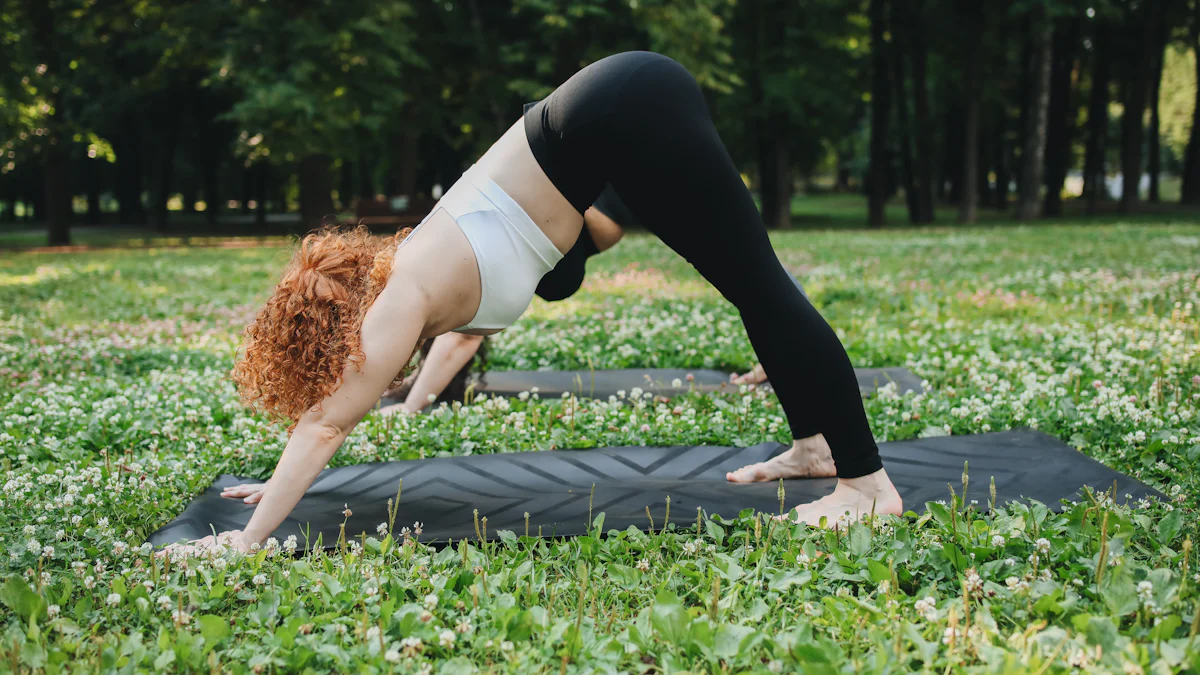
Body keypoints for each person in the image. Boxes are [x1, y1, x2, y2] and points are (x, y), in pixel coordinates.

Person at [186, 51, 901, 554]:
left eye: (325, 353)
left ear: (340, 327)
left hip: (626, 105)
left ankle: (867, 484)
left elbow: (323, 423)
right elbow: (327, 415)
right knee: (748, 285)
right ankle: (815, 446)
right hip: (615, 115)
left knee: (760, 283)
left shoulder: (400, 296)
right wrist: (279, 483)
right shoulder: (402, 288)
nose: (342, 366)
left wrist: (245, 543)